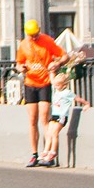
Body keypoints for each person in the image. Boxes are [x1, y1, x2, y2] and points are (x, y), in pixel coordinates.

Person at [16, 20, 67, 167]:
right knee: (32, 120)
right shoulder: (24, 45)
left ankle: (47, 153)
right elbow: (19, 63)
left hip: (44, 82)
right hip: (30, 83)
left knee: (44, 118)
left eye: (36, 35)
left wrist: (57, 64)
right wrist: (21, 68)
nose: (34, 38)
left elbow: (64, 56)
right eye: (31, 35)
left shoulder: (47, 41)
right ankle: (34, 154)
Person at [36, 72, 89, 167]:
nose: (56, 86)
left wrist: (86, 104)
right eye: (55, 85)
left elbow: (77, 99)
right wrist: (51, 72)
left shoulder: (67, 93)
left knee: (54, 133)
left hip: (62, 116)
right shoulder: (56, 91)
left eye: (58, 85)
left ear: (64, 85)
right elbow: (52, 80)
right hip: (54, 115)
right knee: (49, 133)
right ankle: (46, 150)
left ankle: (53, 151)